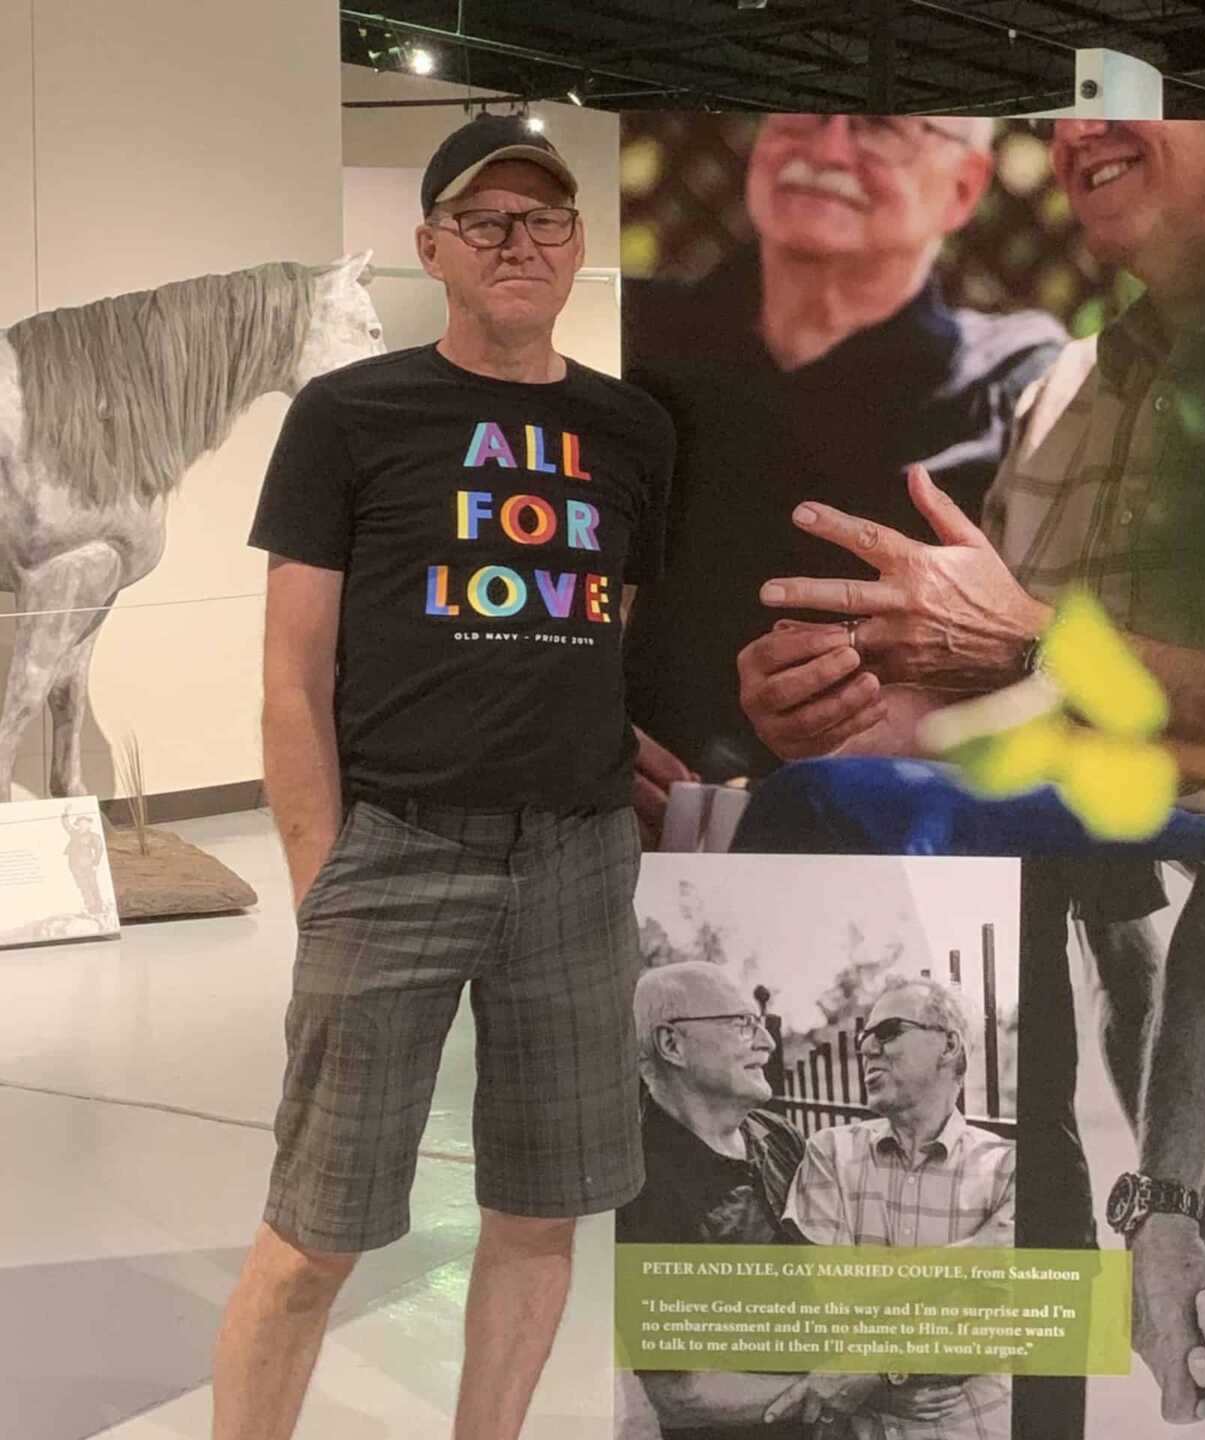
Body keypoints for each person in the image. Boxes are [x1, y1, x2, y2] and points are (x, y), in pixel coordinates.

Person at [734, 118, 1205, 1434]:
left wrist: (1028, 640)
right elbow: (1032, 717)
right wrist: (850, 713)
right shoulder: (1064, 387)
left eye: (1148, 85)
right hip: (1163, 1005)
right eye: (1066, 104)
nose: (1080, 128)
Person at [213, 115, 672, 1440]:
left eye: (545, 220)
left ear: (577, 246)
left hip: (578, 862)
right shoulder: (351, 415)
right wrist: (323, 876)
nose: (519, 242)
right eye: (485, 220)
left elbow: (618, 628)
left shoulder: (630, 429)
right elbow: (293, 674)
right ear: (431, 247)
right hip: (398, 852)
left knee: (541, 1212)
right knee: (315, 1230)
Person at [621, 112, 1065, 817]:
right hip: (630, 832)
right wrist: (577, 729)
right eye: (800, 115)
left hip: (893, 838)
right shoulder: (626, 336)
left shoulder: (1020, 386)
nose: (827, 149)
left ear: (964, 186)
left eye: (879, 128)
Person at [618, 962, 940, 1438]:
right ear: (672, 1045)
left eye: (760, 1023)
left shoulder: (777, 1134)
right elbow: (682, 1394)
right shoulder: (641, 1187)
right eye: (742, 1024)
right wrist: (836, 1387)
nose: (767, 1043)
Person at [785, 977, 1016, 1440]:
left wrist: (878, 1370)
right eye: (863, 1038)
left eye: (888, 1032)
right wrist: (975, 1255)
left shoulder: (1008, 1167)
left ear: (949, 1045)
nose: (867, 1048)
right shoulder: (830, 1152)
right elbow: (829, 1302)